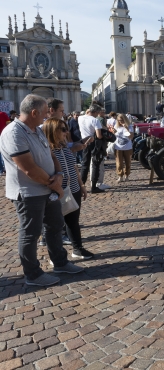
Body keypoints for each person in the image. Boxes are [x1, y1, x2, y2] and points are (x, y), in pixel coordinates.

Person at [0, 94, 84, 286]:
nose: (47, 116)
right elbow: (28, 168)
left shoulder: (37, 130)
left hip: (47, 190)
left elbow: (51, 154)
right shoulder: (13, 132)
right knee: (30, 232)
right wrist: (52, 183)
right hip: (28, 193)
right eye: (45, 112)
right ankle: (33, 274)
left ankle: (60, 262)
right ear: (34, 112)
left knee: (55, 225)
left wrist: (60, 174)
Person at [42, 118, 93, 259]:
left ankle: (77, 248)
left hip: (74, 188)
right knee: (55, 225)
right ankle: (56, 257)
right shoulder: (47, 149)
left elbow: (73, 167)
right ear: (53, 131)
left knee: (73, 221)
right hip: (57, 191)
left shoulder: (64, 146)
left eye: (66, 128)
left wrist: (81, 186)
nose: (66, 132)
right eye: (63, 129)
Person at [78, 104, 104, 193]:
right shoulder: (95, 120)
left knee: (85, 165)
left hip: (84, 142)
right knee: (95, 164)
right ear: (96, 112)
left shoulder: (80, 118)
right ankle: (93, 187)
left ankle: (82, 185)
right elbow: (99, 135)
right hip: (93, 143)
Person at [114, 114, 133, 182]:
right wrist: (113, 132)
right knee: (119, 163)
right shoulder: (116, 126)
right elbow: (114, 136)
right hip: (118, 147)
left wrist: (127, 128)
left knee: (128, 162)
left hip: (128, 147)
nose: (120, 122)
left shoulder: (130, 126)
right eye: (119, 120)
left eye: (122, 120)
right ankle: (120, 176)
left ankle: (127, 175)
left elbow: (131, 136)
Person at [0, 110, 9, 175]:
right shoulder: (3, 114)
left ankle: (1, 170)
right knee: (5, 152)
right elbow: (9, 124)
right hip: (4, 135)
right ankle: (6, 168)